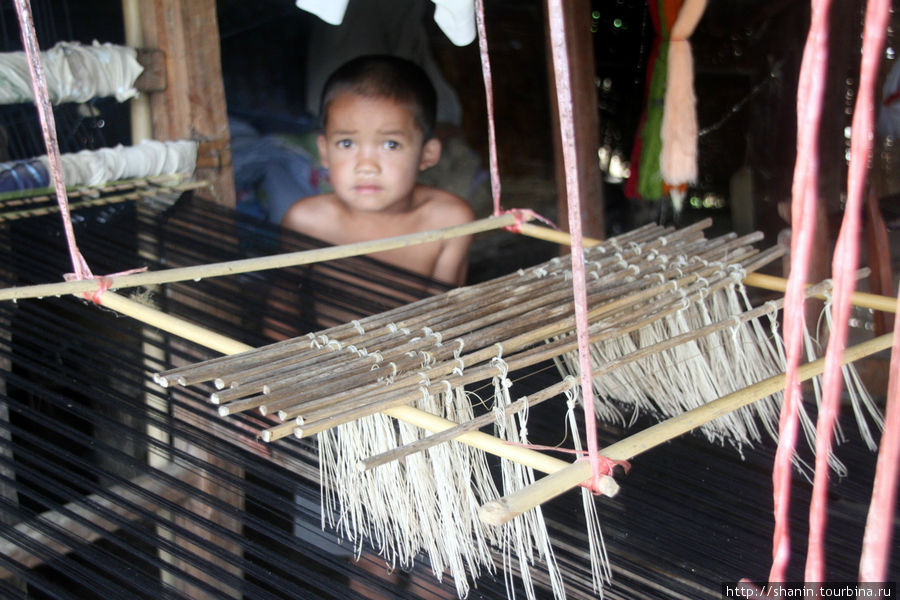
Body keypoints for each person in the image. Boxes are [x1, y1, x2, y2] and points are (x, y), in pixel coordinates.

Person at [280, 54, 475, 288]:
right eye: (346, 143)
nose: (367, 166)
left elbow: (448, 309)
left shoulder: (449, 221)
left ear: (427, 154)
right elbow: (283, 302)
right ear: (324, 151)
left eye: (391, 144)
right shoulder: (307, 223)